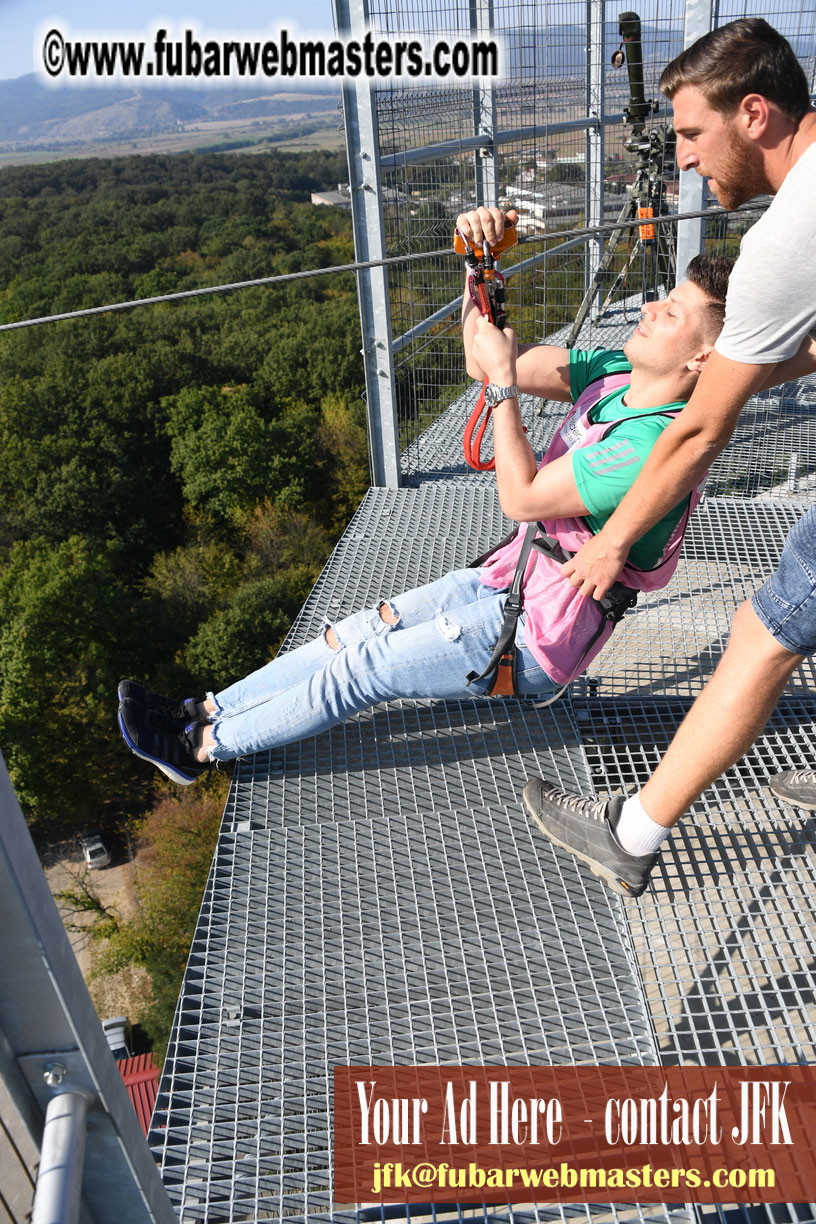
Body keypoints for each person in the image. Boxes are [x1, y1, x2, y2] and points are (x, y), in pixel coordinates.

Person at [117, 228, 732, 789]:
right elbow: (482, 359)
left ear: (702, 358)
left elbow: (518, 495)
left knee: (362, 670)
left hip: (539, 636)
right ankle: (207, 708)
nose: (650, 308)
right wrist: (478, 272)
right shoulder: (612, 375)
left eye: (671, 311)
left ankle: (201, 748)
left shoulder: (648, 444)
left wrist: (502, 390)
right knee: (352, 634)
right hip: (511, 581)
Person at [522, 18, 816, 897]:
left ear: (754, 113)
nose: (684, 160)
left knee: (764, 636)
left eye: (692, 133)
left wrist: (614, 545)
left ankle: (633, 832)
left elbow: (694, 435)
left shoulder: (786, 237)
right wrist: (729, 376)